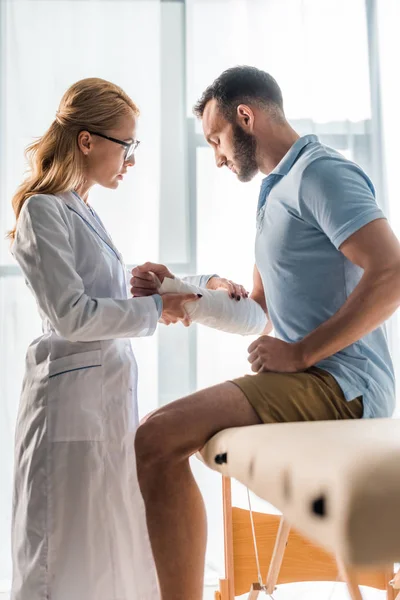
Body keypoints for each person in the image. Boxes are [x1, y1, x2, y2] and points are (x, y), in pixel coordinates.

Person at [131, 66, 400, 600]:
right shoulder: (274, 193)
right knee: (154, 433)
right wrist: (183, 291)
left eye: (217, 139)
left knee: (156, 437)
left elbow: (391, 274)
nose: (217, 156)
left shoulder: (322, 174)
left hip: (345, 384)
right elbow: (259, 314)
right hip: (315, 377)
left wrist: (301, 354)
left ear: (245, 116)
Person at [8, 77, 242, 600]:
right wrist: (156, 307)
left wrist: (175, 284)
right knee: (62, 550)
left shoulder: (82, 209)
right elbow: (70, 314)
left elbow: (97, 291)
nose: (131, 160)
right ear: (87, 141)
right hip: (67, 406)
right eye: (126, 145)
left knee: (103, 541)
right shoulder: (43, 209)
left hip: (101, 400)